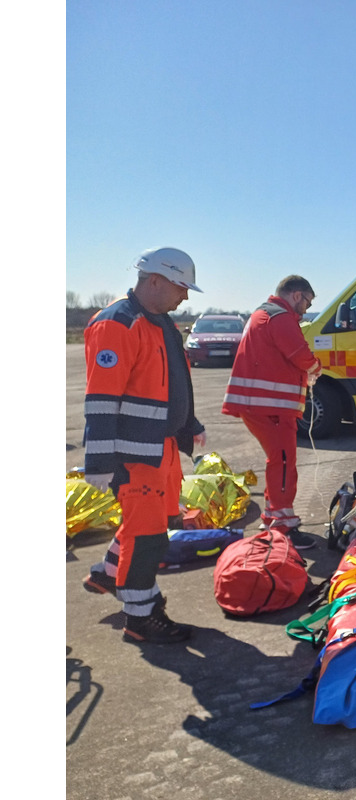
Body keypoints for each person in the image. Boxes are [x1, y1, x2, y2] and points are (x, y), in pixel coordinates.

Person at [79, 247, 207, 644]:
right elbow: (101, 398)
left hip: (161, 447)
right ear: (155, 280)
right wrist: (100, 461)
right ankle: (141, 615)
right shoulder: (118, 323)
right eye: (180, 287)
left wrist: (190, 426)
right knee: (148, 536)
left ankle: (106, 573)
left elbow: (173, 383)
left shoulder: (161, 322)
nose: (184, 297)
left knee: (158, 523)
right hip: (135, 454)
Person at [221, 276, 322, 549]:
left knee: (278, 462)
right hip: (271, 408)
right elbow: (300, 354)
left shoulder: (264, 314)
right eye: (307, 302)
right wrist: (315, 367)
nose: (304, 311)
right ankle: (282, 527)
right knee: (283, 463)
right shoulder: (280, 317)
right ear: (297, 295)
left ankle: (274, 519)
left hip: (264, 406)